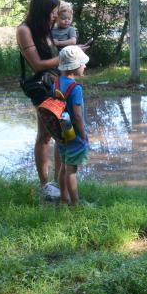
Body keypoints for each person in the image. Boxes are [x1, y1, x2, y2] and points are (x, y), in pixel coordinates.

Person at [16, 0, 62, 200]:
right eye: (53, 12)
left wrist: (72, 51)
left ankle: (62, 182)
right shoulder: (24, 30)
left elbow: (51, 57)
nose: (55, 16)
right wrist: (67, 56)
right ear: (42, 11)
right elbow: (37, 64)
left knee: (62, 133)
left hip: (57, 85)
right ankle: (45, 185)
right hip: (41, 88)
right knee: (45, 135)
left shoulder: (45, 29)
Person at [54, 45, 90, 206]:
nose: (85, 66)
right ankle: (75, 203)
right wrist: (83, 135)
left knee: (63, 165)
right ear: (75, 66)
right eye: (83, 63)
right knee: (71, 171)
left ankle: (64, 196)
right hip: (73, 135)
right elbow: (77, 116)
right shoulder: (75, 88)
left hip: (61, 133)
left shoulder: (55, 82)